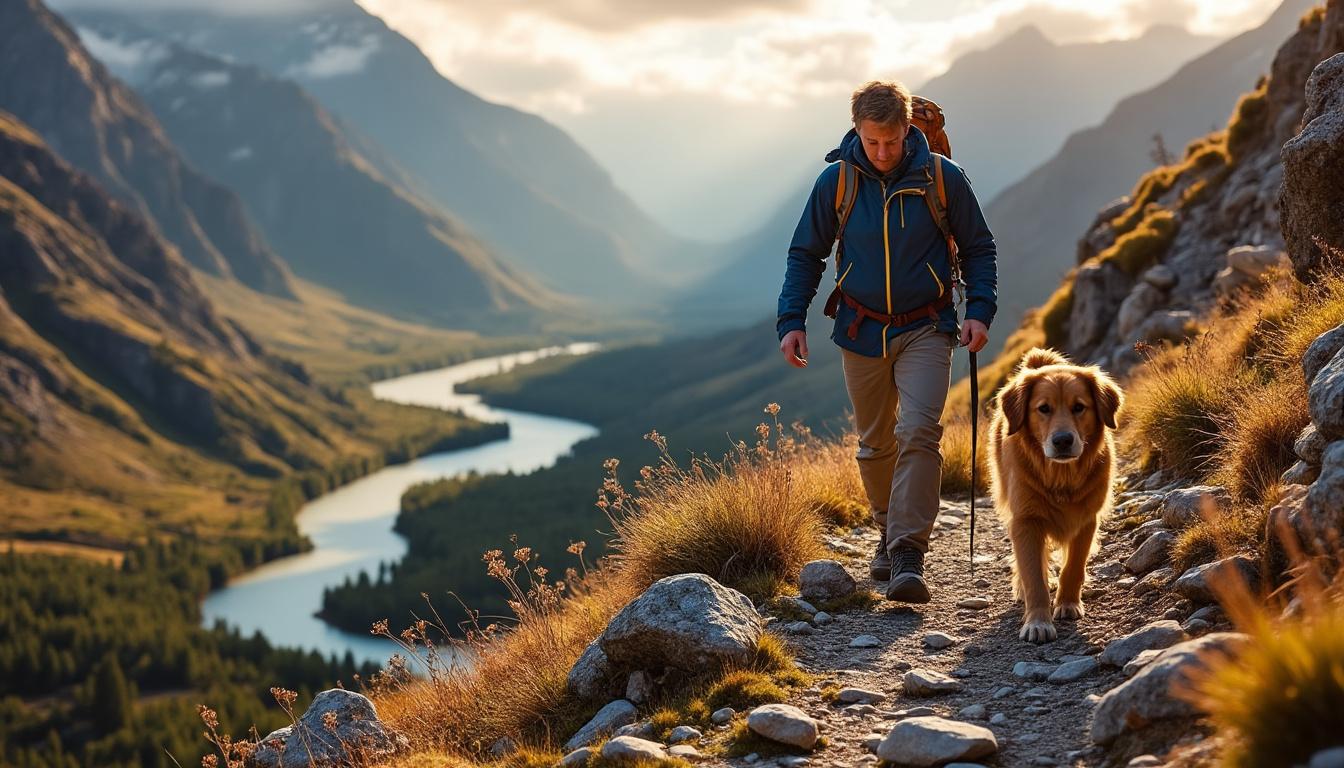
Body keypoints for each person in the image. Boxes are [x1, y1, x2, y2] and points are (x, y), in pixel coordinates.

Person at [776, 80, 998, 603]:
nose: (882, 153)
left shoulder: (942, 178)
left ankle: (906, 552)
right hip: (859, 328)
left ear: (907, 129)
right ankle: (886, 530)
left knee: (919, 431)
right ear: (857, 131)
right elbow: (805, 254)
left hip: (927, 325)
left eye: (892, 142)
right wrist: (791, 320)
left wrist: (979, 311)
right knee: (876, 445)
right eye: (872, 142)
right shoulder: (836, 182)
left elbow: (978, 246)